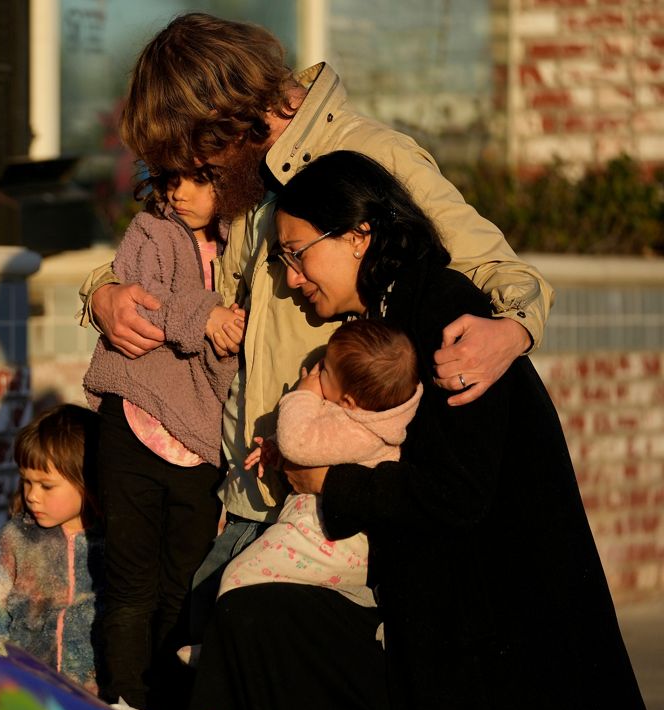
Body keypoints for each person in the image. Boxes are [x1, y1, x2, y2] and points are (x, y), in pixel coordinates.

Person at [77, 14, 556, 607]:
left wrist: (513, 331)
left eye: (201, 159)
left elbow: (500, 269)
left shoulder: (371, 155)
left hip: (323, 506)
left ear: (230, 118)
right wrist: (102, 292)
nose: (197, 179)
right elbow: (167, 256)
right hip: (245, 487)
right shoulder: (248, 176)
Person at [188, 150, 646, 710]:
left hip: (505, 637)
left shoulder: (442, 316)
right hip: (466, 626)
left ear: (359, 236)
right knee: (255, 620)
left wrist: (332, 484)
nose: (291, 279)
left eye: (297, 255)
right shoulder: (392, 315)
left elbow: (458, 491)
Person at [82, 170, 242, 710]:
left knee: (184, 588)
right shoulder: (152, 228)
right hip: (136, 420)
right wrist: (208, 315)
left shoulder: (248, 236)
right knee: (130, 586)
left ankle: (172, 706)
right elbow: (142, 300)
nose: (180, 193)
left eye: (200, 180)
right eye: (172, 179)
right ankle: (125, 703)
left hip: (203, 442)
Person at [217, 319, 421, 608]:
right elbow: (311, 444)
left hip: (328, 539)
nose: (316, 371)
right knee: (270, 596)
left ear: (348, 401)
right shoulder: (356, 417)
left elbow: (299, 443)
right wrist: (275, 451)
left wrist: (303, 395)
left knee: (240, 577)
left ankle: (217, 649)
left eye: (324, 369)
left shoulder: (362, 431)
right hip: (317, 533)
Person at [0, 404, 104, 693]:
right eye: (27, 481)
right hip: (25, 700)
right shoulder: (10, 543)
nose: (31, 496)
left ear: (87, 481)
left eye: (46, 486)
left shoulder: (116, 544)